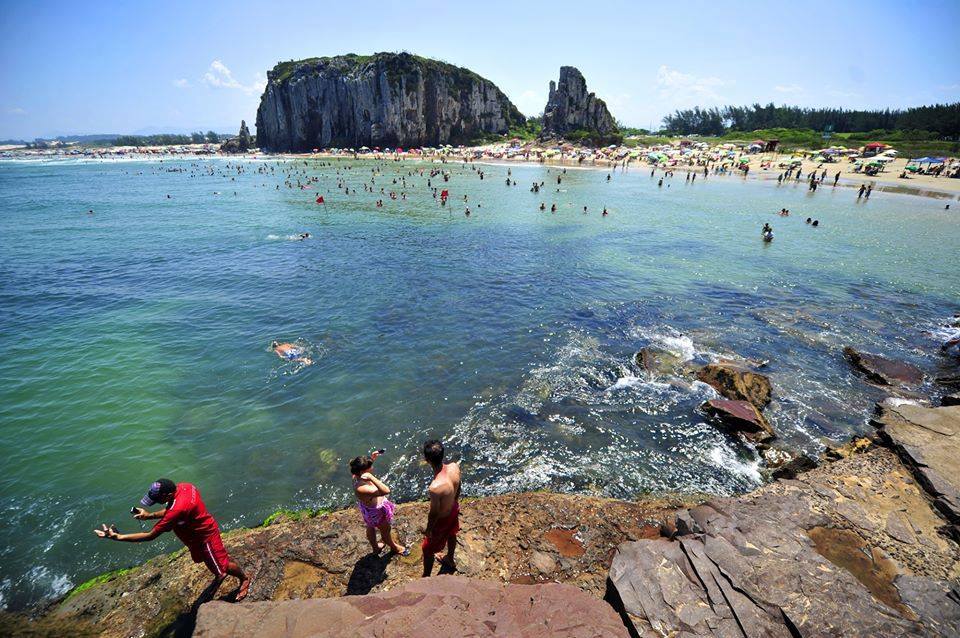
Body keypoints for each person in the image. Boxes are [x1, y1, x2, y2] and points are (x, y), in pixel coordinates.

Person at [94, 479, 251, 601]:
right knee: (208, 559)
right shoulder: (185, 487)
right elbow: (173, 509)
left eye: (157, 499)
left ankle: (243, 579)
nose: (156, 502)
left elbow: (150, 535)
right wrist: (149, 515)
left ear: (168, 495)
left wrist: (118, 537)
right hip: (196, 533)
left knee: (223, 566)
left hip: (204, 536)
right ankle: (218, 568)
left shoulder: (176, 510)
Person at [350, 452, 407, 556]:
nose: (372, 468)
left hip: (368, 510)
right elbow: (386, 490)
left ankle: (375, 548)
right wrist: (372, 477)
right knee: (386, 531)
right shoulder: (362, 488)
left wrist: (372, 458)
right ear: (363, 472)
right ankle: (394, 548)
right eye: (370, 466)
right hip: (376, 513)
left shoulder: (356, 476)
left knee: (370, 526)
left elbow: (362, 470)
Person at [421, 439, 461, 577]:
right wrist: (454, 502)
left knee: (427, 549)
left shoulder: (435, 487)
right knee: (452, 533)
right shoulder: (454, 467)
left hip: (442, 519)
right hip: (454, 508)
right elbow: (459, 487)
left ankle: (426, 576)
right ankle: (450, 558)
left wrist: (428, 530)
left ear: (427, 460)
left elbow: (434, 513)